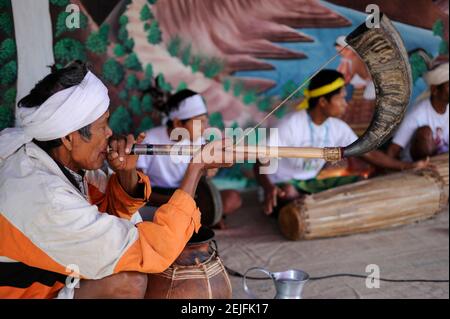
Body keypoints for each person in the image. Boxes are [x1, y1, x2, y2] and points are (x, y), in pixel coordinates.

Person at [0, 61, 230, 299]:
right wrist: (196, 169)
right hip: (31, 293)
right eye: (103, 126)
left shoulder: (59, 159)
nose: (110, 133)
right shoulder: (44, 198)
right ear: (69, 139)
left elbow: (109, 213)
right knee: (128, 280)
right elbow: (151, 250)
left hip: (57, 273)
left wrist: (126, 173)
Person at [254, 69, 430, 215]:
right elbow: (260, 161)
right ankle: (299, 205)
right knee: (289, 193)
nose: (345, 103)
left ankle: (310, 204)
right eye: (340, 98)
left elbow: (368, 153)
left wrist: (406, 166)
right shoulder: (291, 124)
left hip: (311, 184)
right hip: (282, 185)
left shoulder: (338, 127)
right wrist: (269, 188)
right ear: (323, 102)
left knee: (364, 181)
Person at [137, 89, 242, 229]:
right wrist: (171, 201)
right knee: (143, 213)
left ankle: (193, 220)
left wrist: (207, 172)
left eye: (205, 122)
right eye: (200, 123)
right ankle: (194, 221)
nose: (204, 128)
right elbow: (138, 187)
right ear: (178, 124)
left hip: (190, 193)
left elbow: (200, 181)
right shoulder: (150, 139)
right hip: (157, 197)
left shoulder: (199, 141)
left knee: (232, 199)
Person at [387, 62, 449, 161]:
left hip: (441, 163)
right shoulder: (417, 114)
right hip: (417, 167)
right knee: (425, 133)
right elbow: (393, 150)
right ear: (434, 89)